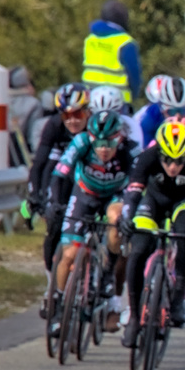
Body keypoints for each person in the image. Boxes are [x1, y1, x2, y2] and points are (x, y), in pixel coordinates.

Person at [117, 117, 185, 348]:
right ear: (159, 152)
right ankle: (135, 317)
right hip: (154, 201)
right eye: (167, 160)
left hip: (184, 202)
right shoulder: (147, 157)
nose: (173, 167)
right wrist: (126, 218)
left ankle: (177, 299)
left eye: (179, 161)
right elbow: (134, 192)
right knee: (137, 251)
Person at [52, 110, 138, 324]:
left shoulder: (130, 150)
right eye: (98, 143)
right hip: (84, 194)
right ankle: (58, 304)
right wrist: (54, 203)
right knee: (69, 254)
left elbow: (138, 185)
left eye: (109, 143)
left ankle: (108, 274)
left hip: (114, 196)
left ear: (119, 137)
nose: (103, 149)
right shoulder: (81, 142)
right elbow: (60, 173)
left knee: (116, 218)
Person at [25, 84, 91, 288]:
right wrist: (36, 195)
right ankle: (50, 282)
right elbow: (40, 164)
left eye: (78, 114)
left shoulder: (95, 126)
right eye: (66, 115)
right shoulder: (54, 126)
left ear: (88, 111)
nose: (72, 120)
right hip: (61, 176)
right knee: (54, 221)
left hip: (88, 177)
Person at [132, 75, 185, 154]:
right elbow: (144, 149)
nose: (177, 116)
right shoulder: (151, 115)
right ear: (161, 109)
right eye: (172, 111)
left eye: (182, 110)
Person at [83, 0, 143, 103]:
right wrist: (134, 96)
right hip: (118, 102)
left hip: (92, 99)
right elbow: (134, 76)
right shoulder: (125, 43)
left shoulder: (90, 39)